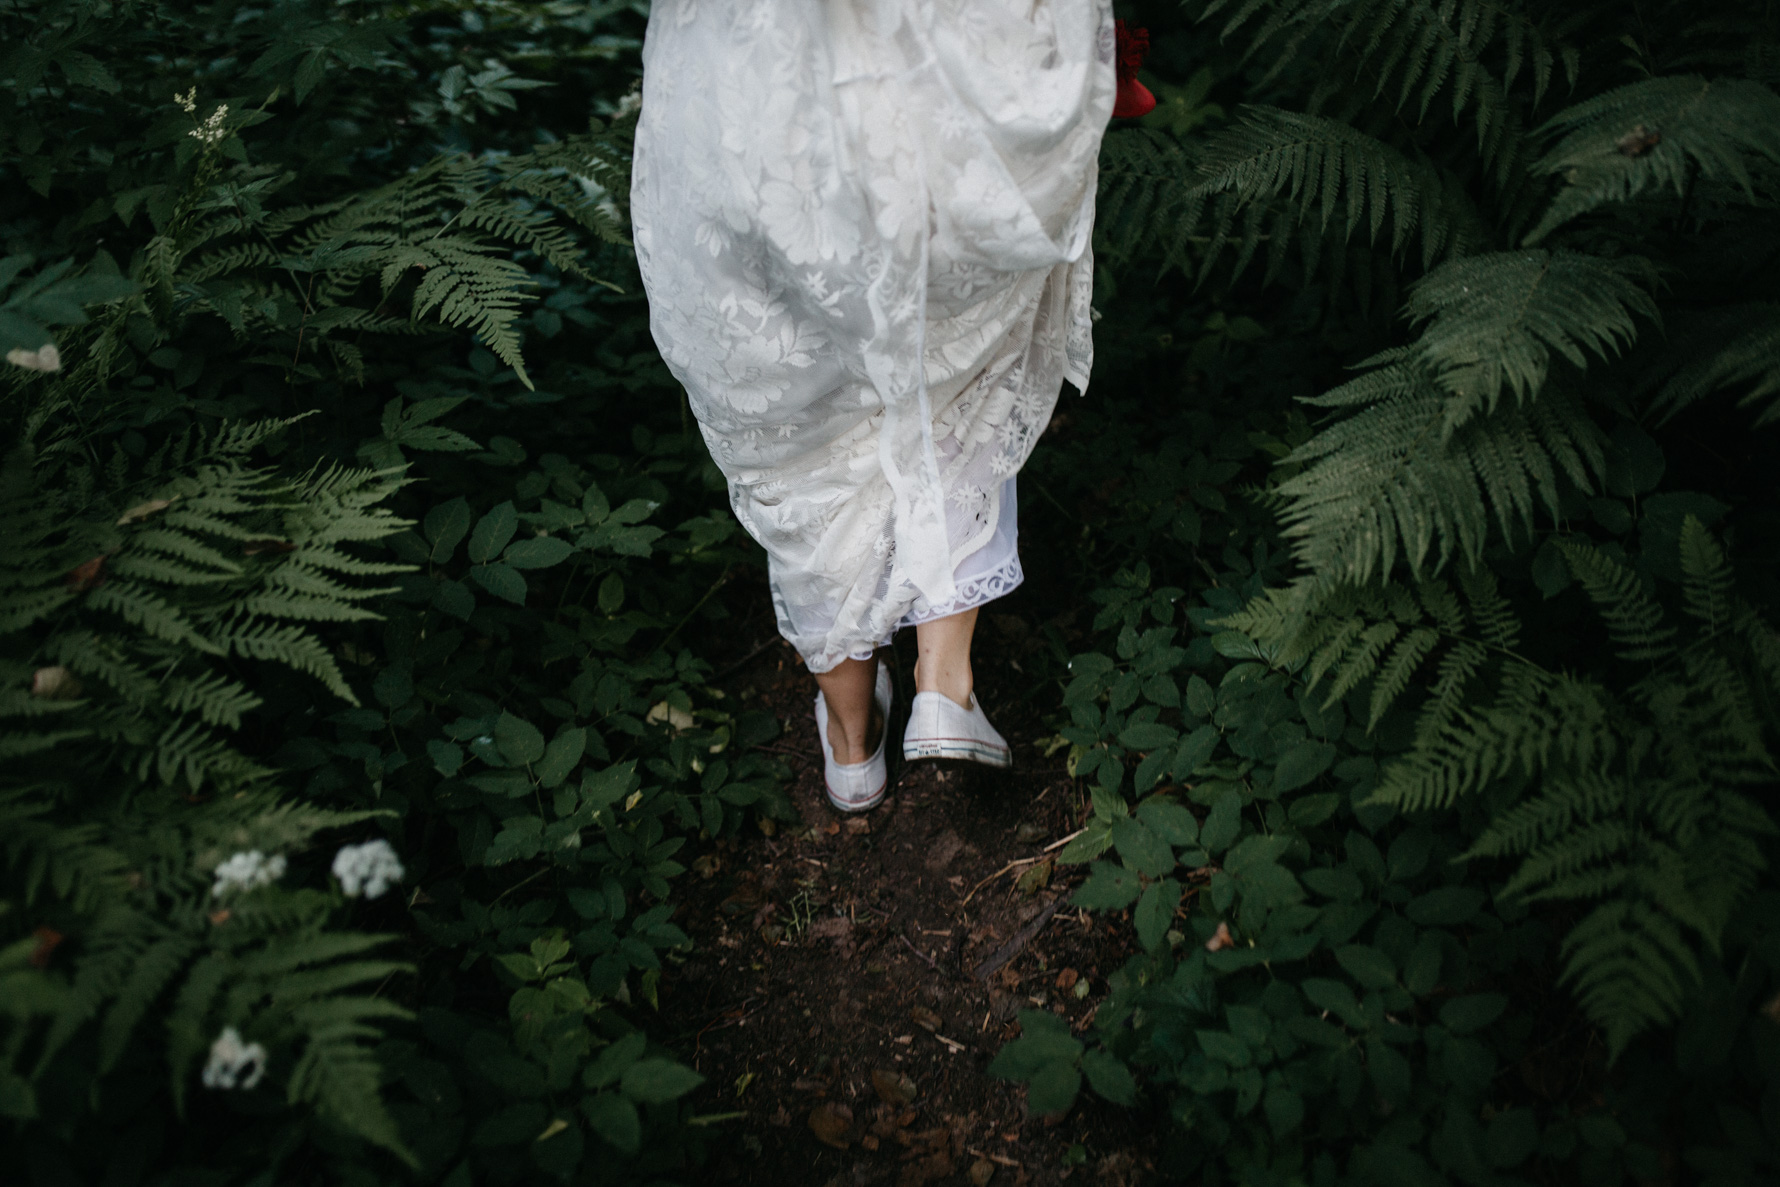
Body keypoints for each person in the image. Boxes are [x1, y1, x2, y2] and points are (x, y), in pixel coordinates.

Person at [631, 0, 1116, 812]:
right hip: (915, 85)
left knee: (795, 424)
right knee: (953, 358)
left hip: (751, 99)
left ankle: (854, 745)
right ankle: (944, 687)